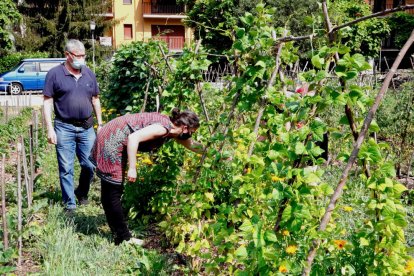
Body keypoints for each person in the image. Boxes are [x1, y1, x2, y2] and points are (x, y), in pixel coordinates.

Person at [89, 108, 203, 245]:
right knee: (112, 192)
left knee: (111, 192)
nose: (191, 135)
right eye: (192, 132)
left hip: (114, 134)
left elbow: (192, 145)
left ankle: (119, 233)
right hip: (113, 138)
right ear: (185, 128)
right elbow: (133, 138)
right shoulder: (163, 128)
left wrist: (213, 153)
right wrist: (132, 168)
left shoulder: (172, 129)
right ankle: (123, 238)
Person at [43, 39, 103, 214]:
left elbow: (95, 99)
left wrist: (100, 124)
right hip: (64, 127)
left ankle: (81, 192)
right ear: (67, 55)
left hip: (86, 127)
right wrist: (49, 129)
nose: (82, 59)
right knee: (66, 167)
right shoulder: (54, 74)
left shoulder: (89, 74)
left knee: (90, 164)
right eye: (78, 56)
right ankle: (70, 204)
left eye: (83, 55)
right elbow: (47, 102)